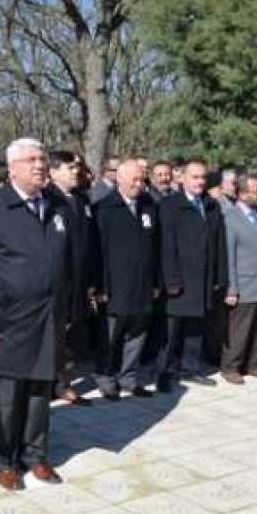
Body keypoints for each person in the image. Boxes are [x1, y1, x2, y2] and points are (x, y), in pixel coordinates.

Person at [0, 138, 70, 490]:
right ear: (12, 168)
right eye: (31, 160)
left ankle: (35, 454)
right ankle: (4, 458)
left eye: (42, 159)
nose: (40, 165)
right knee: (9, 396)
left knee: (40, 391)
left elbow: (69, 261)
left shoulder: (58, 206)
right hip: (10, 321)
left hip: (49, 317)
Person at [158, 159, 227, 391]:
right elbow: (166, 245)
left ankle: (190, 369)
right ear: (183, 178)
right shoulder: (170, 205)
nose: (200, 181)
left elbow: (219, 244)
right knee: (171, 331)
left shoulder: (211, 205)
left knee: (196, 329)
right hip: (180, 280)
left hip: (203, 279)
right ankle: (164, 372)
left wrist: (219, 276)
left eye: (203, 177)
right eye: (195, 177)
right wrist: (171, 279)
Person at [95, 160, 159, 399]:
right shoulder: (104, 209)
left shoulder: (149, 206)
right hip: (116, 286)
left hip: (144, 284)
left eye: (142, 179)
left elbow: (157, 247)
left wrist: (156, 282)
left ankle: (128, 377)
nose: (139, 184)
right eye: (134, 179)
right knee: (111, 335)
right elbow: (98, 252)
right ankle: (106, 375)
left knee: (137, 334)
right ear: (119, 179)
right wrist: (101, 286)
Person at [45, 150, 99, 405]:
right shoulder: (47, 199)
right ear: (53, 172)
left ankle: (61, 381)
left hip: (78, 281)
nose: (76, 171)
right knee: (54, 337)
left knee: (68, 335)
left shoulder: (81, 199)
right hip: (56, 282)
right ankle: (52, 384)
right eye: (70, 168)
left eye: (77, 167)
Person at [221, 172, 257, 384]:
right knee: (239, 330)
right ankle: (231, 367)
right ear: (242, 194)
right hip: (245, 284)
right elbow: (229, 257)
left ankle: (255, 363)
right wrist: (232, 288)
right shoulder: (230, 218)